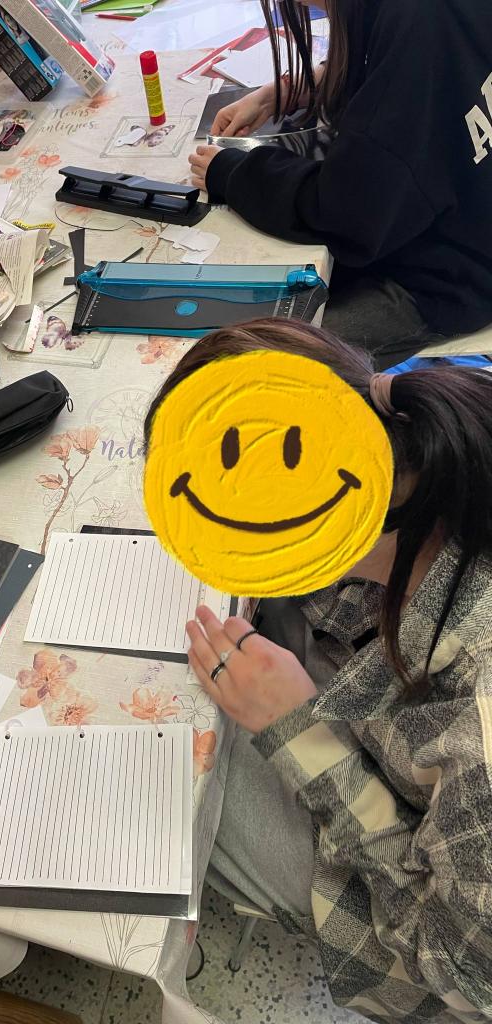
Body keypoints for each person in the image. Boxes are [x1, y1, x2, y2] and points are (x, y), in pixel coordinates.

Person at [144, 318, 492, 1022]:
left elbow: (463, 975)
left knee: (165, 779)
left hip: (434, 941)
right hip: (406, 743)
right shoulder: (426, 426)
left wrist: (300, 732)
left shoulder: (479, 726)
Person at [188, 0, 492, 370]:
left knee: (246, 362)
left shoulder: (418, 21)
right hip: (455, 212)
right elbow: (409, 67)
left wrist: (233, 172)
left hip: (450, 275)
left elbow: (345, 214)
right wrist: (293, 87)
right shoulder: (415, 18)